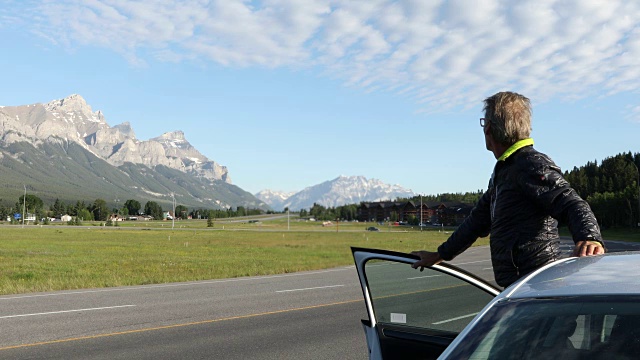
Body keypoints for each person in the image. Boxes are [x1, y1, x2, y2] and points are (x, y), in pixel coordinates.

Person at [412, 91, 605, 288]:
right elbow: (476, 221)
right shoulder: (506, 169)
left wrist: (589, 237)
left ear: (488, 128)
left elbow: (571, 203)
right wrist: (440, 255)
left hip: (539, 284)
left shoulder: (530, 164)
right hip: (522, 284)